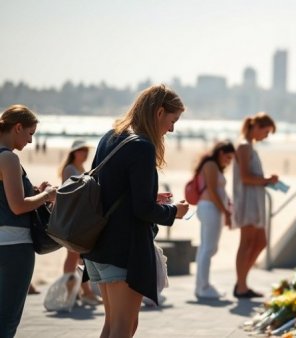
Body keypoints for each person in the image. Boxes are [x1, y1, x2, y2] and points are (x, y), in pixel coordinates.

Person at [81, 84, 189, 337]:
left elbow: (107, 191)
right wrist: (174, 212)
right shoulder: (142, 146)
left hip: (97, 246)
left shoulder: (111, 136)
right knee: (123, 328)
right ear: (159, 112)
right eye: (172, 121)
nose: (172, 129)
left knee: (113, 326)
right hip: (122, 249)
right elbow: (143, 210)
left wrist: (151, 198)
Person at [0, 105, 57, 338]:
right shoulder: (8, 158)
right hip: (15, 248)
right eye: (30, 134)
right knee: (7, 321)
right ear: (18, 127)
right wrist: (46, 195)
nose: (31, 142)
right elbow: (18, 206)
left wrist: (33, 190)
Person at [232, 112, 278, 298]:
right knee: (247, 242)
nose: (265, 137)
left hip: (254, 199)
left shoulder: (248, 145)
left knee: (260, 242)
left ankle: (241, 282)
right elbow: (245, 177)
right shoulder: (243, 146)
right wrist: (266, 179)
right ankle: (241, 285)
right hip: (247, 200)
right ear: (257, 127)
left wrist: (266, 181)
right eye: (266, 132)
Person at [58, 139, 103, 306]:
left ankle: (80, 291)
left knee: (78, 256)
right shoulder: (69, 169)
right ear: (74, 152)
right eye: (81, 150)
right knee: (73, 256)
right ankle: (75, 292)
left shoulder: (81, 168)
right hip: (73, 218)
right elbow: (69, 194)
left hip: (80, 217)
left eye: (86, 151)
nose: (84, 154)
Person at [193, 141, 236, 299]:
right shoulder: (211, 165)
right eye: (228, 157)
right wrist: (225, 211)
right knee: (208, 249)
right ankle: (203, 287)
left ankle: (201, 286)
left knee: (206, 248)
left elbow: (218, 190)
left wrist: (227, 206)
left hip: (211, 208)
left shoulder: (214, 166)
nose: (229, 161)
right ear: (220, 153)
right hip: (210, 208)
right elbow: (212, 190)